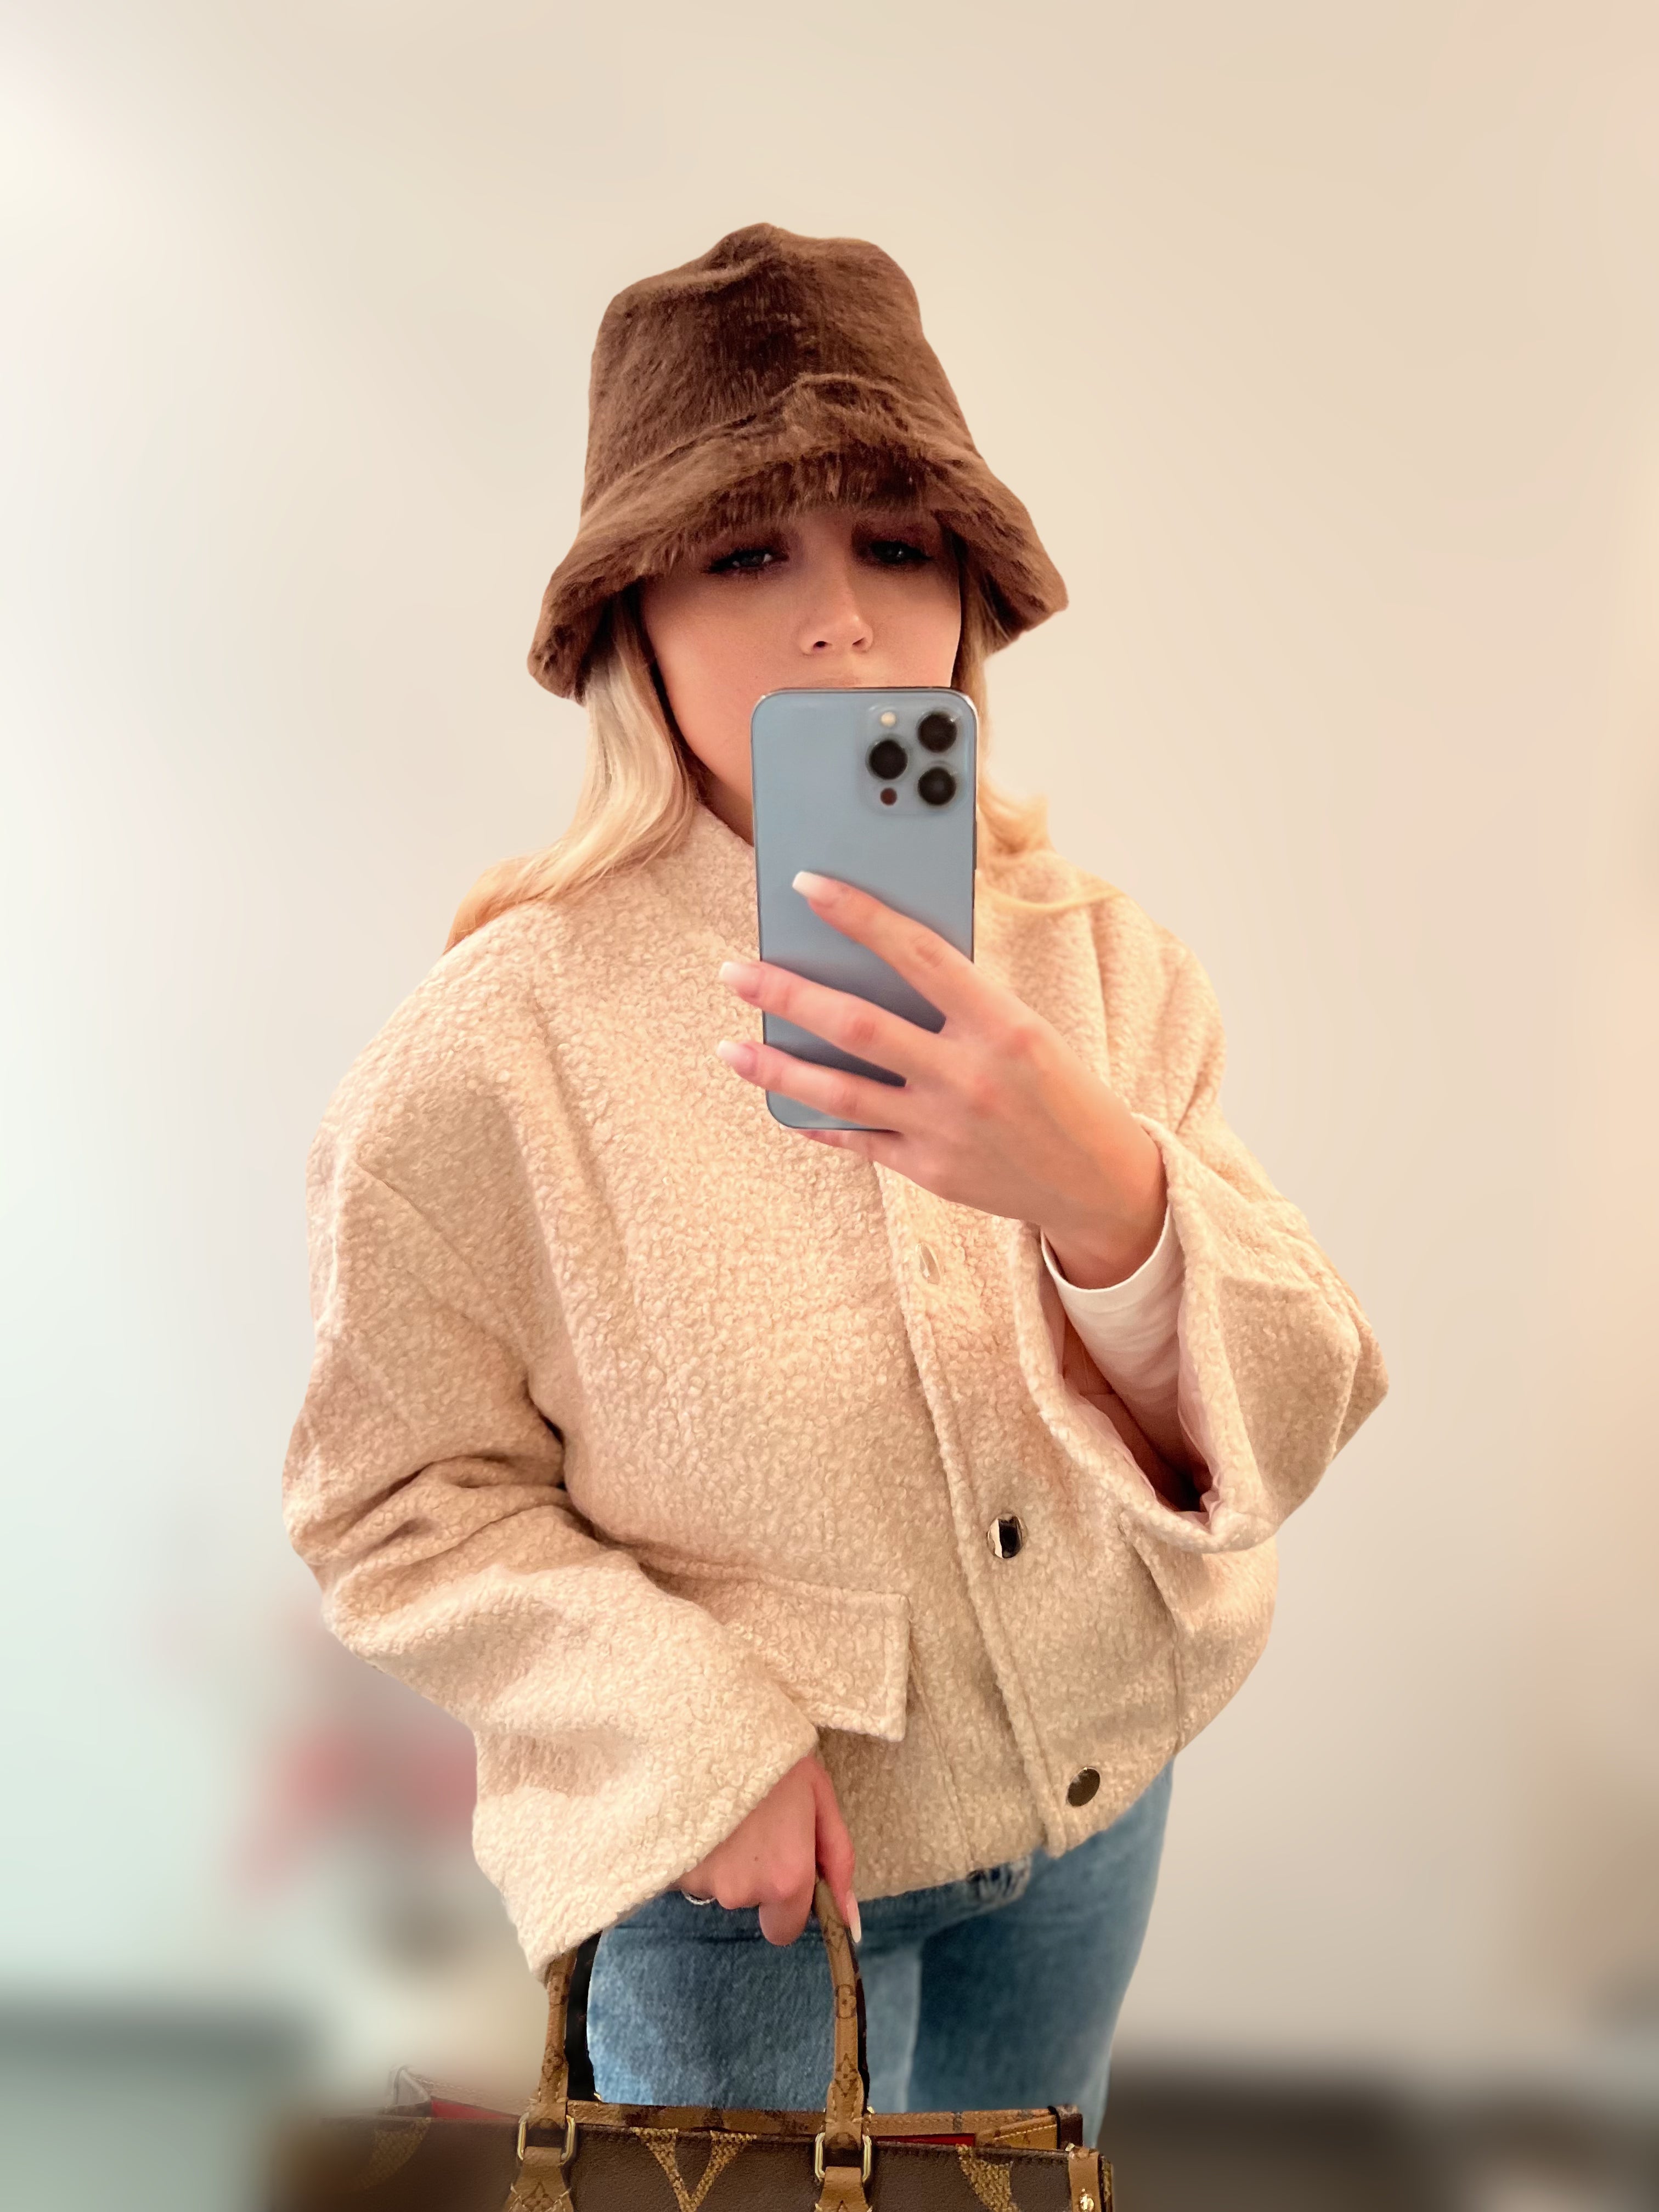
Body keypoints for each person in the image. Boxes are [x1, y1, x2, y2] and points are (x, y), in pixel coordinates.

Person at [282, 223, 1387, 2144]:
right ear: (631, 620)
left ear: (967, 600)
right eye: (746, 554)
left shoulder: (1102, 969)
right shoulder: (487, 1053)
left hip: (1093, 1814)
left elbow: (1296, 1413)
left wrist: (1103, 1197)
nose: (842, 622)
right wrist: (685, 1740)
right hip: (743, 1889)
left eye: (896, 544)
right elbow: (390, 1505)